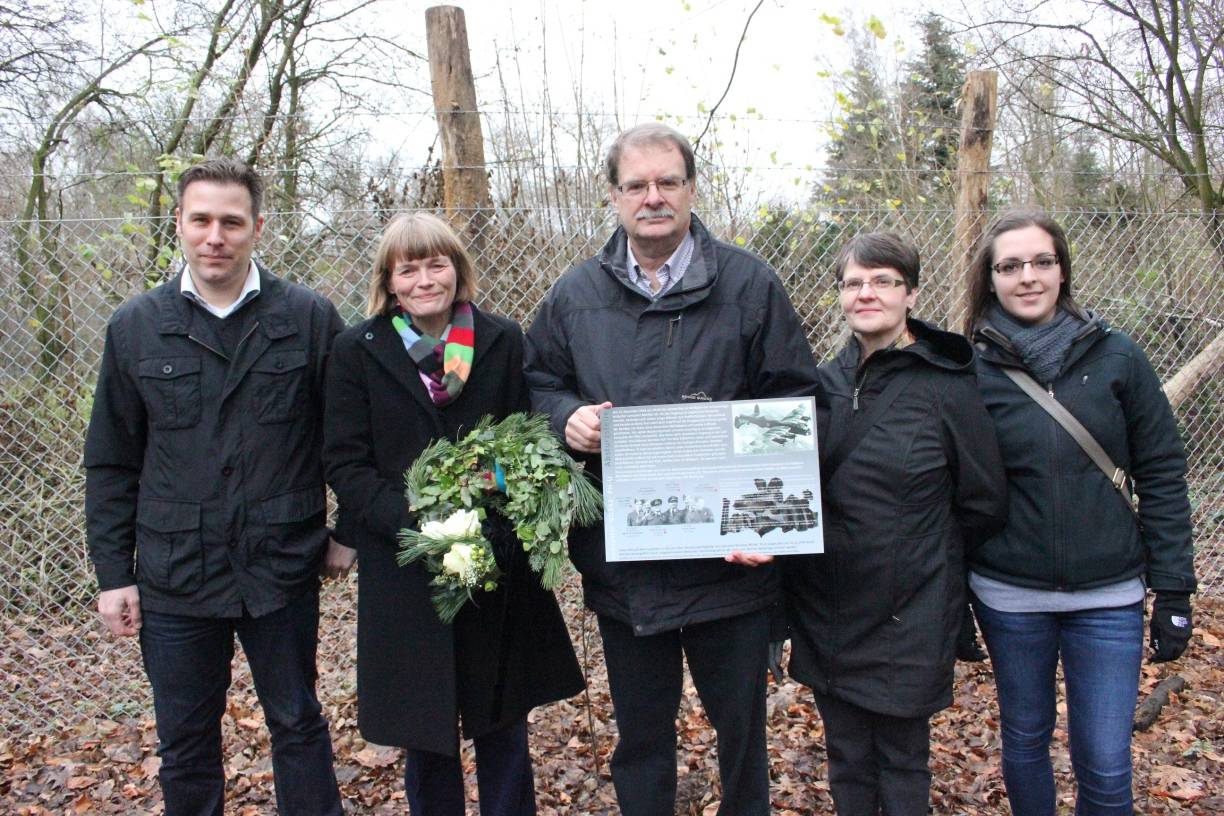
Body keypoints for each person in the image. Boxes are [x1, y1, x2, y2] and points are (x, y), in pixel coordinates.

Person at [524, 122, 821, 815]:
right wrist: (564, 417)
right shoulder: (575, 295)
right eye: (637, 185)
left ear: (691, 189)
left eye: (667, 182)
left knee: (743, 737)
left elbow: (793, 399)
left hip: (730, 564)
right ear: (613, 196)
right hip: (627, 567)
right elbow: (536, 382)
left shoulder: (749, 285)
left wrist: (768, 524)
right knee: (642, 740)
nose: (652, 197)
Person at [84, 157, 345, 816]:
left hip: (280, 568)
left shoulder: (309, 319)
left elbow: (354, 439)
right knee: (186, 742)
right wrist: (114, 573)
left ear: (257, 226)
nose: (215, 236)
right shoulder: (136, 326)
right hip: (177, 574)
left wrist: (350, 532)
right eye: (200, 220)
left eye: (231, 221)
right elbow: (112, 461)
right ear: (179, 224)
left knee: (298, 725)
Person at [322, 212, 584, 815]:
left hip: (495, 554)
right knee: (427, 729)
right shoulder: (356, 351)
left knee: (503, 719)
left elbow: (528, 441)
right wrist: (421, 528)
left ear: (456, 269)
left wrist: (487, 514)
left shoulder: (501, 340)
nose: (423, 279)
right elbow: (346, 463)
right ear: (389, 280)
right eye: (407, 268)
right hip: (407, 563)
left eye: (436, 263)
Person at [964, 209, 1197, 815]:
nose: (1028, 277)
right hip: (1009, 595)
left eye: (1042, 261)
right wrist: (950, 601)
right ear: (989, 279)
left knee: (1106, 758)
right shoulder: (968, 370)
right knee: (1024, 741)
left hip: (1109, 596)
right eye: (1010, 266)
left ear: (1063, 270)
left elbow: (1164, 475)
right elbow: (950, 493)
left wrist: (1173, 591)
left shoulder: (1119, 357)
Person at [782, 232, 1007, 816]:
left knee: (904, 761)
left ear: (910, 293)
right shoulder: (820, 386)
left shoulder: (948, 385)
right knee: (847, 758)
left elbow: (983, 501)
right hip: (828, 602)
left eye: (882, 280)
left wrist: (922, 554)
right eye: (853, 282)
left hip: (911, 607)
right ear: (839, 295)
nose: (866, 293)